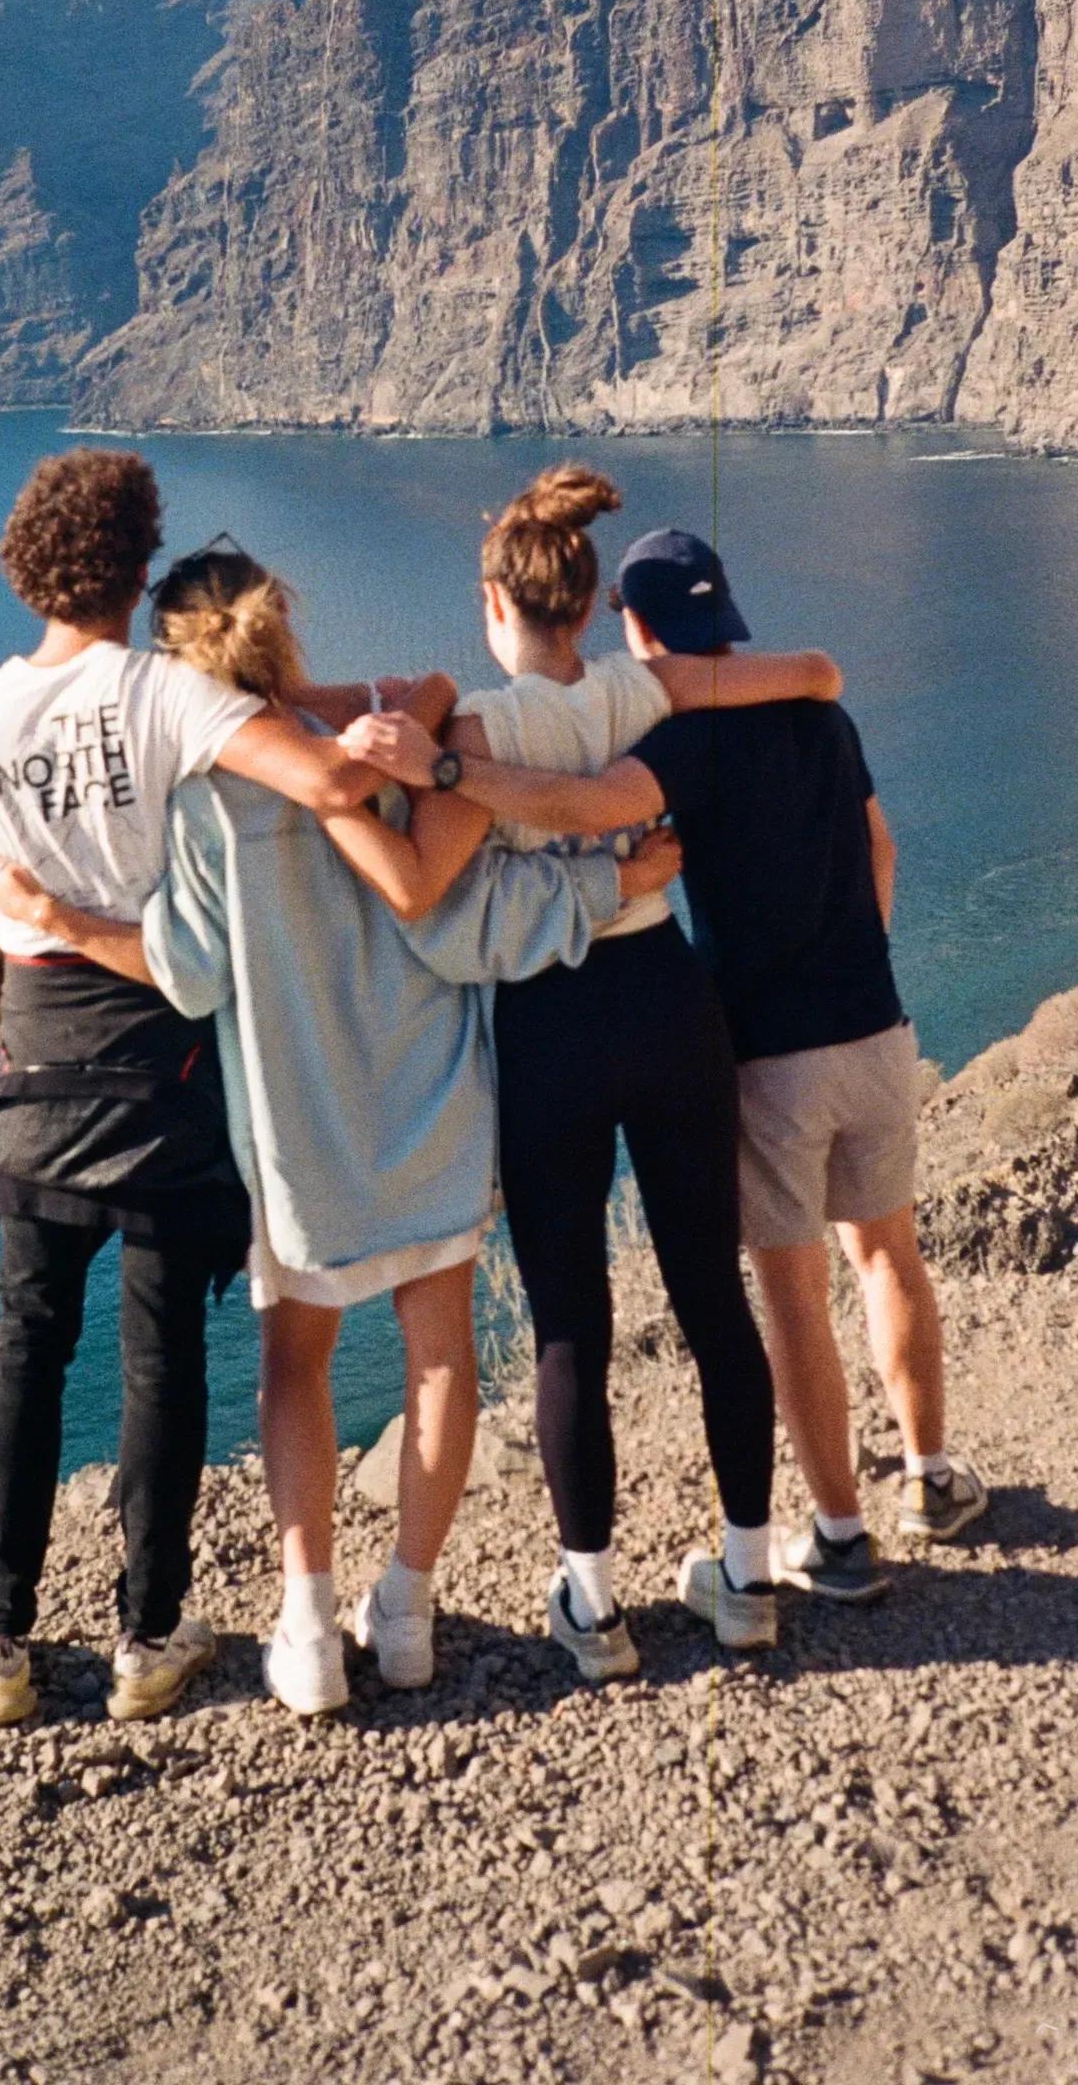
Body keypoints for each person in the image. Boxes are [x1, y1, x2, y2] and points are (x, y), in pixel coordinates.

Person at [0, 540, 685, 1715]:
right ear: (284, 625)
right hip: (430, 1094)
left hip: (297, 1122)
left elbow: (186, 974)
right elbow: (467, 915)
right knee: (440, 1350)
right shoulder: (394, 759)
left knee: (293, 1364)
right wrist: (606, 888)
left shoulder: (207, 799)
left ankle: (306, 1635)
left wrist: (51, 918)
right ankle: (404, 1611)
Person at [362, 522, 988, 1604]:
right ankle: (854, 1518)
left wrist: (437, 764)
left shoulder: (594, 733)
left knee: (605, 1318)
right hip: (795, 1019)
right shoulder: (750, 708)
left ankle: (642, 1586)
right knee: (807, 1278)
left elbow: (513, 842)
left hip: (629, 1032)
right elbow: (864, 806)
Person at [344, 466, 845, 1680]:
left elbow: (421, 896)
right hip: (673, 1006)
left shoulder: (476, 737)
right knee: (712, 1298)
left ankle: (595, 1607)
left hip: (554, 1027)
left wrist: (361, 775)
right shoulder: (651, 689)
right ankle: (744, 1577)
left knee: (572, 1325)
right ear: (585, 600)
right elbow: (817, 673)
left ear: (494, 603)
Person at [0, 451, 400, 1728]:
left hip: (35, 1054)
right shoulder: (169, 696)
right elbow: (336, 783)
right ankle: (148, 1636)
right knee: (164, 1353)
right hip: (168, 1049)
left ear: (30, 565)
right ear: (142, 571)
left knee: (25, 1344)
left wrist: (15, 1047)